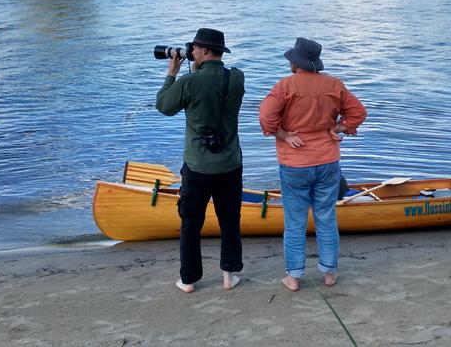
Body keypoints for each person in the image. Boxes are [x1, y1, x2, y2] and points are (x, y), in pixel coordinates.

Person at [259, 37, 367, 291]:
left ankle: (294, 277)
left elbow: (266, 117)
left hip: (295, 163)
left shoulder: (286, 86)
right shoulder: (334, 84)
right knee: (326, 217)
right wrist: (339, 126)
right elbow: (359, 112)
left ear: (296, 65)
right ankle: (329, 273)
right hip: (328, 160)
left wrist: (284, 135)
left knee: (295, 221)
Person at [156, 28, 245, 293]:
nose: (190, 52)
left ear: (204, 51)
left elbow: (164, 106)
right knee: (229, 220)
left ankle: (189, 279)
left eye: (194, 48)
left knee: (191, 223)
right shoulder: (237, 78)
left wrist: (172, 72)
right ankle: (229, 275)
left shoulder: (188, 82)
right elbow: (214, 91)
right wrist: (196, 71)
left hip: (197, 166)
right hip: (230, 163)